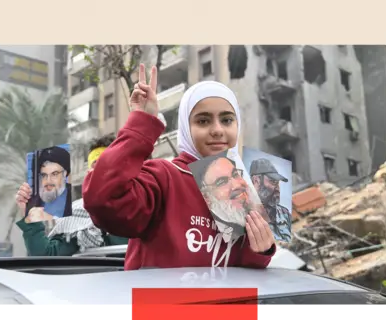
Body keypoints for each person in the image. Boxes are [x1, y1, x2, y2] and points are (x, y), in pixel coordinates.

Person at [82, 63, 276, 270]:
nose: (218, 130)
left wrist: (261, 251)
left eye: (227, 120)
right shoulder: (163, 177)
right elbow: (103, 201)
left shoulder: (243, 188)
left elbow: (242, 269)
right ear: (185, 125)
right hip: (163, 302)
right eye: (203, 121)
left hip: (225, 303)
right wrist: (141, 125)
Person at [15, 133, 128, 256]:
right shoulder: (79, 219)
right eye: (95, 166)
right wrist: (30, 212)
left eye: (108, 164)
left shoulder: (145, 205)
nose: (101, 172)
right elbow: (46, 255)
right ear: (88, 174)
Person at [190, 151, 269, 243]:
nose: (237, 185)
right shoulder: (207, 236)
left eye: (235, 174)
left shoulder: (265, 211)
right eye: (222, 182)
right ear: (207, 198)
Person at [250, 158, 292, 242]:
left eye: (278, 183)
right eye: (273, 182)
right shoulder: (244, 215)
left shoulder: (284, 213)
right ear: (256, 181)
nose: (278, 188)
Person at [26, 146, 73, 221]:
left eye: (54, 174)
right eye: (44, 175)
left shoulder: (75, 195)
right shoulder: (32, 201)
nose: (48, 181)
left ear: (65, 173)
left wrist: (52, 219)